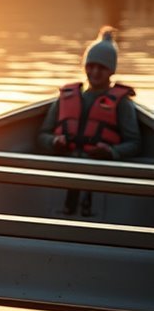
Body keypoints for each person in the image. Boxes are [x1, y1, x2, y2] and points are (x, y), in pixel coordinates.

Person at [36, 26, 140, 215]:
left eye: (101, 67)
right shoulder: (65, 97)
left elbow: (134, 143)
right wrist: (53, 142)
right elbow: (43, 134)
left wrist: (112, 151)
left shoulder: (123, 104)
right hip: (66, 167)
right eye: (90, 66)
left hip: (100, 171)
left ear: (111, 71)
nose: (94, 72)